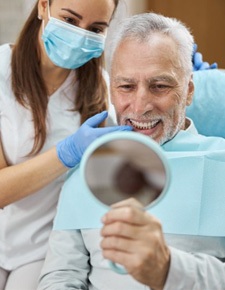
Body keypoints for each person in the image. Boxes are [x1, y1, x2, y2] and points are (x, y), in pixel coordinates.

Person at [38, 12, 225, 290]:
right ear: (111, 89)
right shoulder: (86, 167)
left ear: (188, 91)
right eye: (126, 86)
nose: (139, 107)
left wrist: (169, 269)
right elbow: (61, 275)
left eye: (159, 86)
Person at [0, 0, 136, 289]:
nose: (80, 35)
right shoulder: (1, 72)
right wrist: (67, 153)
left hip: (43, 248)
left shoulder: (101, 91)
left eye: (96, 28)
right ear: (42, 7)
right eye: (70, 20)